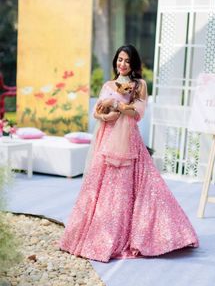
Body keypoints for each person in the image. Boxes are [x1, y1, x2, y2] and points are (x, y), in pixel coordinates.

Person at [59, 44, 199, 262]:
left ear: (133, 64)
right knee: (99, 188)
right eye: (119, 60)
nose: (122, 64)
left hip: (127, 142)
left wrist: (117, 103)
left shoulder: (139, 85)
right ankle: (93, 234)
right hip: (106, 140)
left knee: (133, 188)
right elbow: (98, 113)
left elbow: (137, 113)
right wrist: (107, 114)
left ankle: (149, 234)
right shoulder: (108, 84)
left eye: (126, 60)